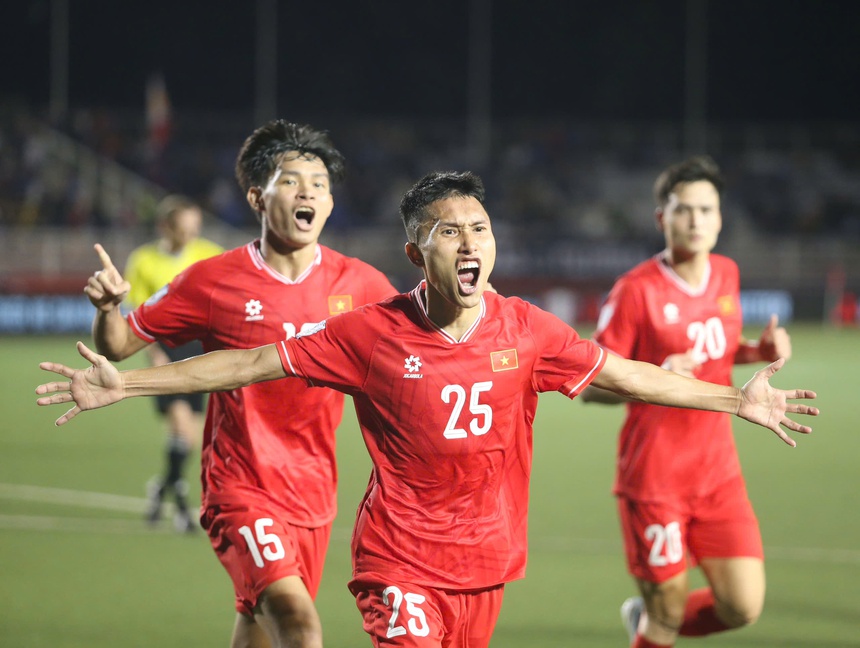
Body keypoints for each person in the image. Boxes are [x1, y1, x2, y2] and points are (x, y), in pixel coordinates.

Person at [37, 170, 818, 648]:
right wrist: (126, 383)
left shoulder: (527, 329)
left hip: (486, 562)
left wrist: (734, 397)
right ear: (417, 254)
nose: (470, 242)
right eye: (450, 232)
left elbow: (631, 377)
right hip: (399, 562)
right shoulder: (370, 332)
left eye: (480, 228)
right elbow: (249, 361)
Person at [81, 120, 398, 648]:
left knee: (259, 630)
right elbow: (118, 344)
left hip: (315, 493)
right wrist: (110, 308)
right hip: (240, 486)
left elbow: (420, 352)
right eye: (293, 181)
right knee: (299, 627)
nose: (309, 193)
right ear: (257, 196)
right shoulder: (213, 280)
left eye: (320, 184)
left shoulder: (361, 284)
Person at [580, 156, 794, 648]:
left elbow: (715, 354)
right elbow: (591, 385)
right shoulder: (635, 291)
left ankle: (648, 619)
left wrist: (758, 352)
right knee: (667, 614)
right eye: (683, 210)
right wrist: (655, 374)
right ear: (662, 218)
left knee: (742, 606)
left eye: (706, 209)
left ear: (720, 219)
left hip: (718, 473)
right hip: (655, 479)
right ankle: (653, 624)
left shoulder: (726, 274)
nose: (695, 220)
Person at [99, 194, 223, 532]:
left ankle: (161, 488)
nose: (191, 235)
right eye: (184, 229)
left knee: (188, 437)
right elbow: (136, 312)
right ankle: (182, 506)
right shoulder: (144, 260)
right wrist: (153, 355)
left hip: (200, 350)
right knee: (183, 428)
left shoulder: (209, 254)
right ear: (165, 227)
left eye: (195, 228)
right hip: (164, 349)